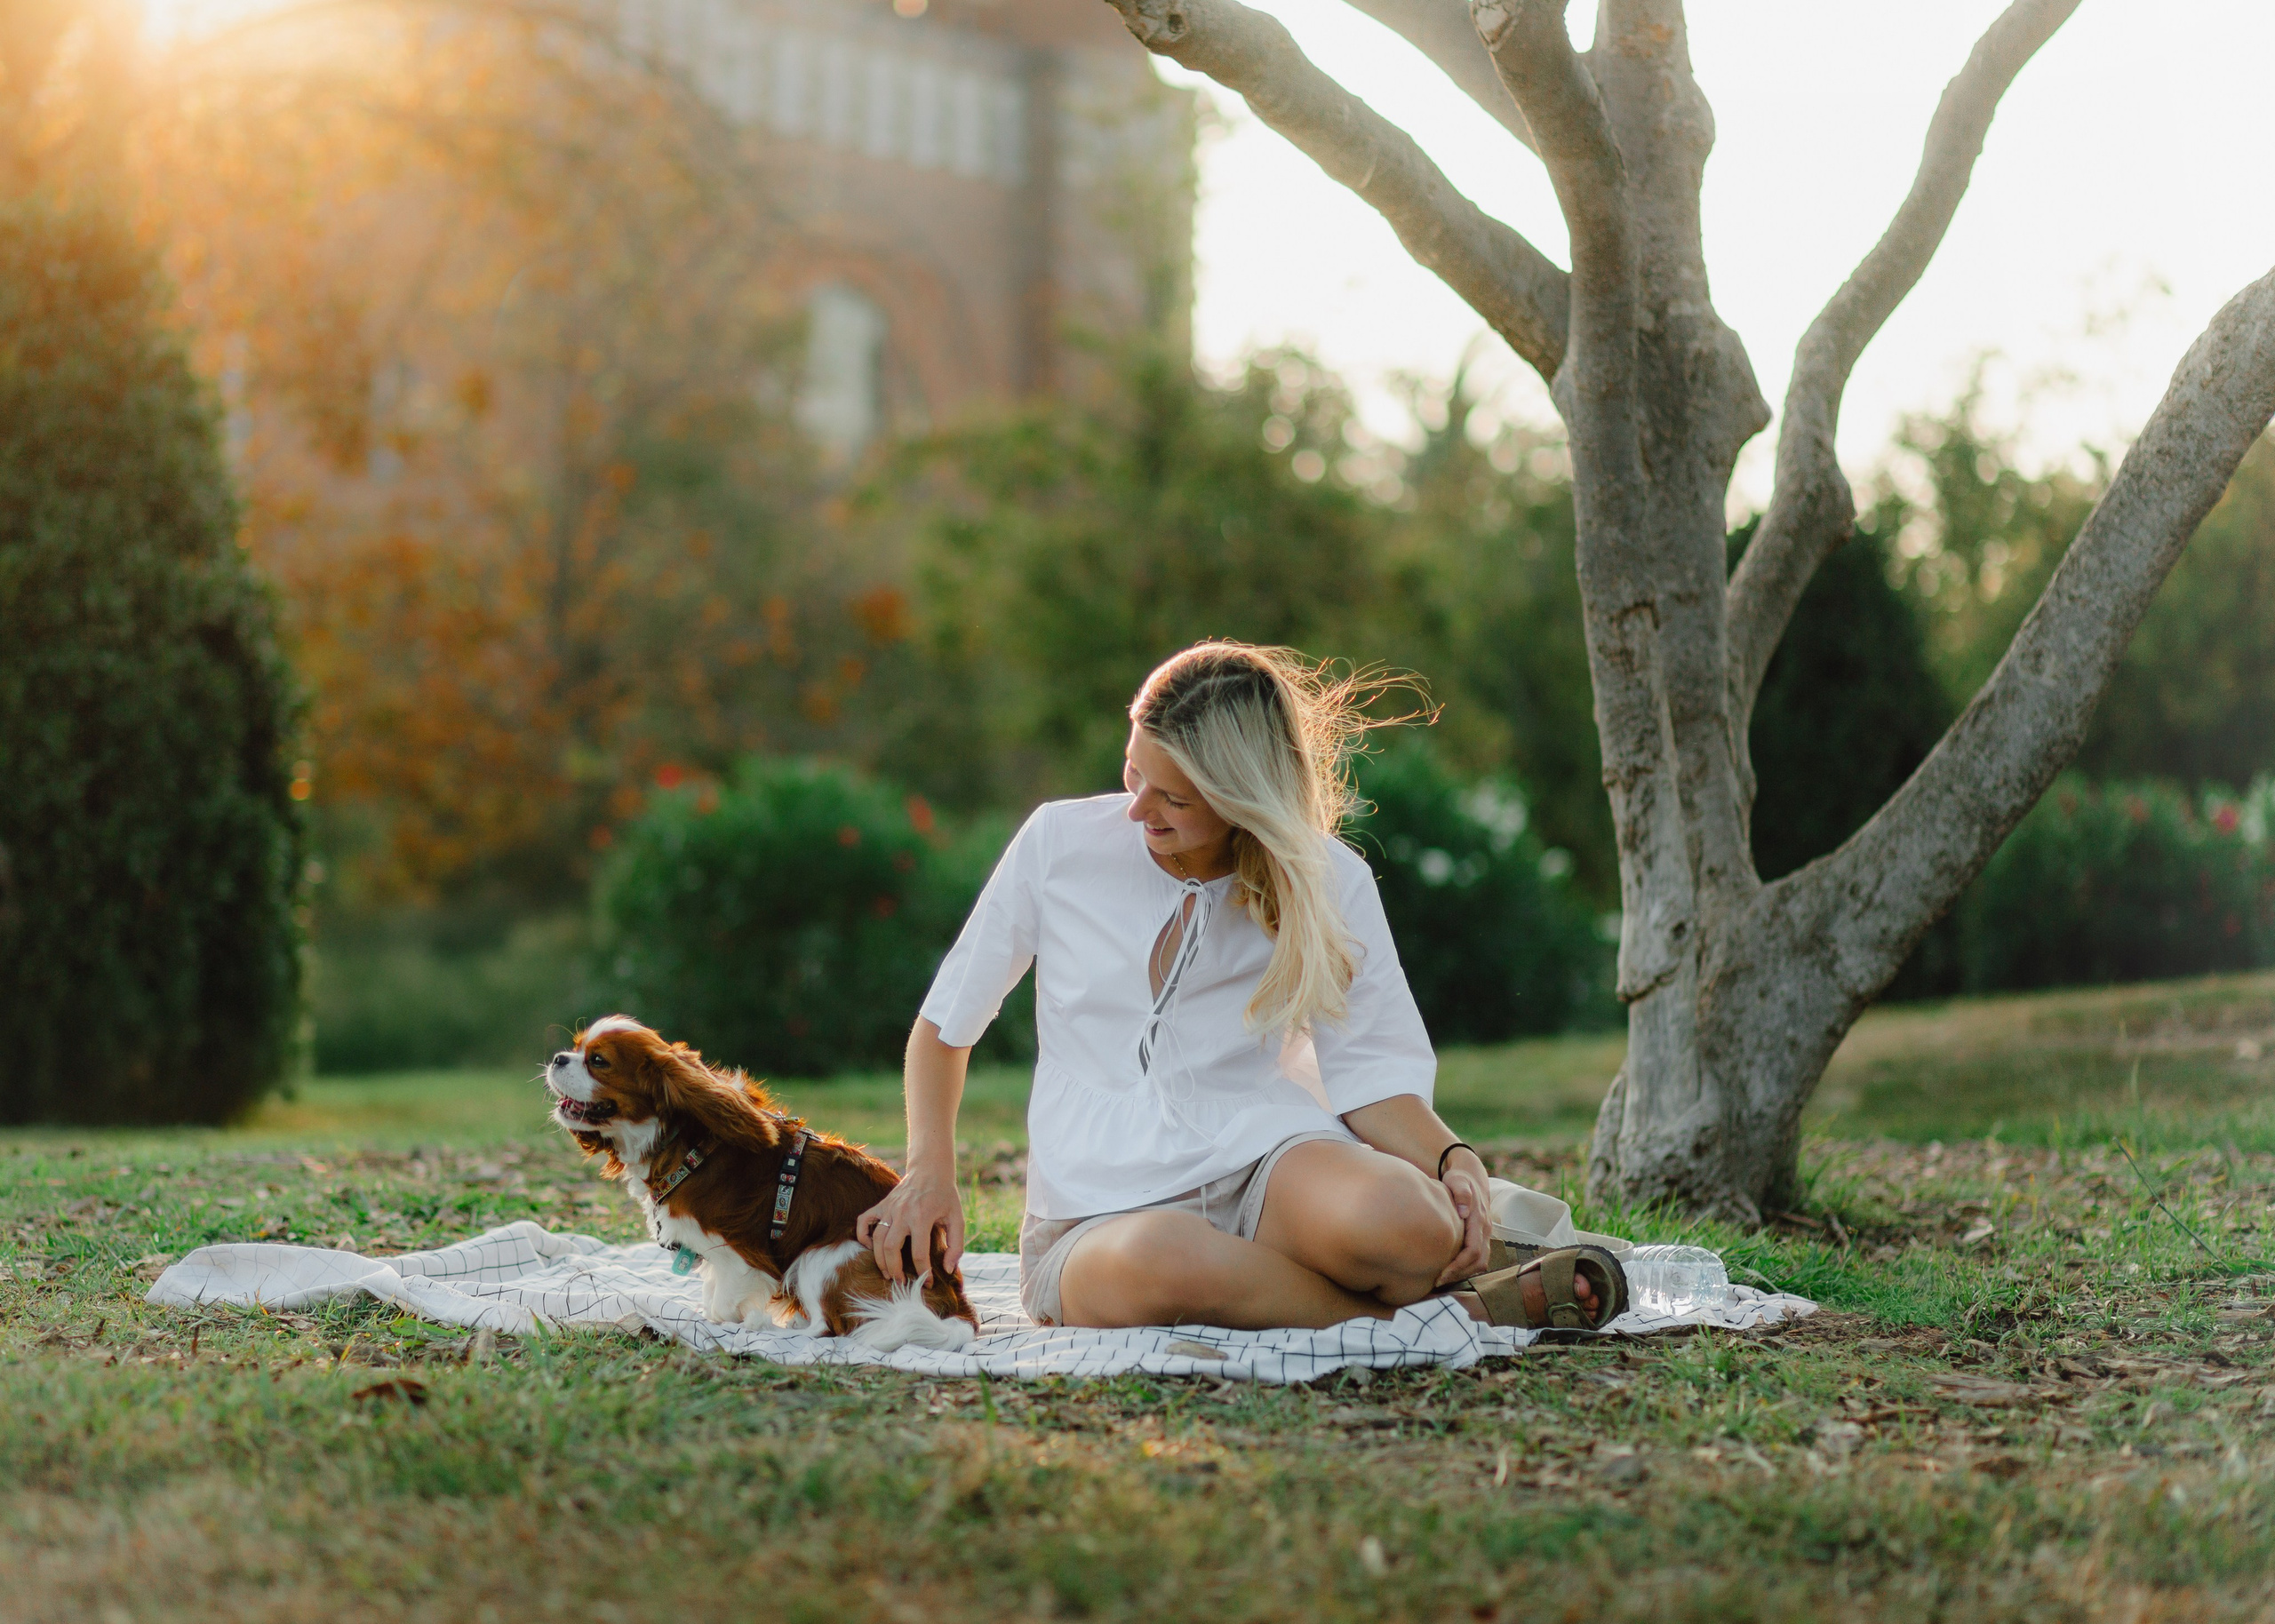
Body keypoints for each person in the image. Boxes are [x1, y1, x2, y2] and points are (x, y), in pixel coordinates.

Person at [856, 641, 1603, 1330]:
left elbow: (1372, 1075)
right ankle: (1455, 1316)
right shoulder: (1057, 844)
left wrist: (1453, 1161)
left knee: (1410, 1225)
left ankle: (1425, 1257)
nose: (1138, 807)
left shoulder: (1326, 878)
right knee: (1160, 1264)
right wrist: (930, 1172)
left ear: (1242, 797)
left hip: (1267, 1163)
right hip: (1097, 1217)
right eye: (1134, 770)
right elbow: (946, 1026)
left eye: (1173, 797)